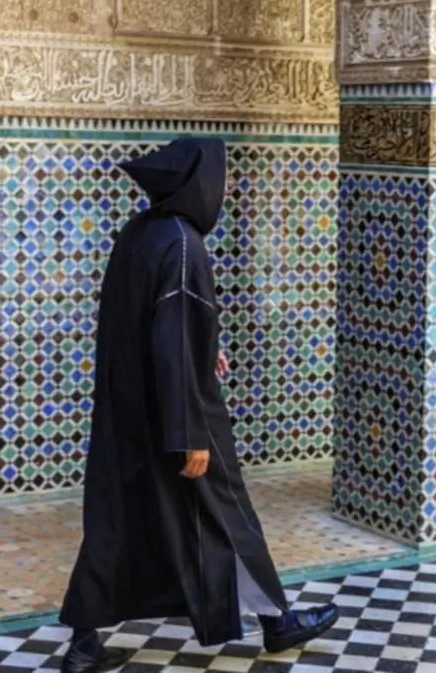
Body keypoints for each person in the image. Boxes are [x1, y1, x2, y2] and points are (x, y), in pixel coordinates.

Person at [59, 137, 339, 673]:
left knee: (117, 521)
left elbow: (157, 326)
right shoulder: (184, 244)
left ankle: (83, 642)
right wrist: (188, 431)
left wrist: (208, 347)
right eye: (224, 178)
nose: (227, 188)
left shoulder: (139, 234)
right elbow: (172, 337)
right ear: (197, 183)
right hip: (180, 412)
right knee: (228, 511)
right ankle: (278, 622)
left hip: (131, 411)